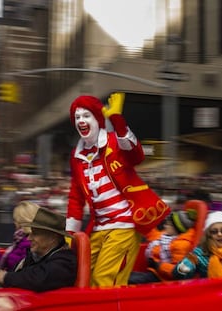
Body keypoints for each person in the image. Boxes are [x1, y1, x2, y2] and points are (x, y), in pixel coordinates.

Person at [66, 93, 170, 287]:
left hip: (125, 224)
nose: (81, 120)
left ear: (97, 118)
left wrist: (117, 121)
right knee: (82, 278)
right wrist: (70, 234)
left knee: (104, 281)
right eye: (77, 117)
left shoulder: (114, 141)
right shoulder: (76, 155)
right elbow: (76, 196)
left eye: (86, 115)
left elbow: (136, 155)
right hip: (98, 227)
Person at [0, 203, 77, 292]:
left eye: (35, 234)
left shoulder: (64, 262)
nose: (29, 238)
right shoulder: (36, 255)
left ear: (53, 238)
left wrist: (6, 277)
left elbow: (39, 279)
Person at [173, 211, 222, 279]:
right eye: (214, 232)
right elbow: (178, 275)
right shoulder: (200, 252)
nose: (219, 234)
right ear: (209, 236)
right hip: (209, 292)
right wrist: (185, 266)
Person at [128, 210, 197, 284]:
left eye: (168, 224)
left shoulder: (181, 245)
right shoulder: (165, 235)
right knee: (124, 276)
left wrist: (158, 265)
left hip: (163, 279)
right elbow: (152, 234)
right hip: (154, 272)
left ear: (177, 228)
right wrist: (143, 219)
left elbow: (178, 271)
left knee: (130, 280)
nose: (165, 226)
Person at [0, 201, 32, 270]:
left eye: (15, 220)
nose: (14, 223)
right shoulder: (19, 240)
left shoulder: (26, 243)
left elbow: (13, 267)